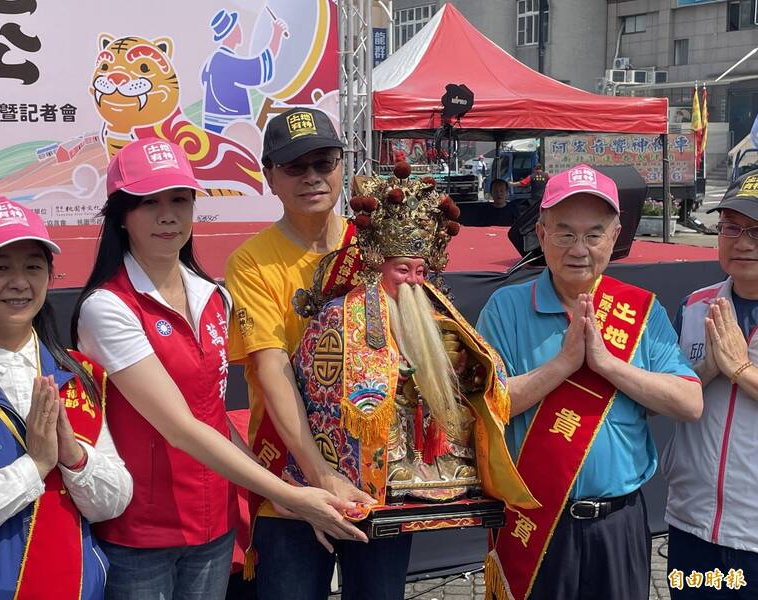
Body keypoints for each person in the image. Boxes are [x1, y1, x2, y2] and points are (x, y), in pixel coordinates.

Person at [72, 137, 366, 599]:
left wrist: (277, 491)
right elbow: (180, 428)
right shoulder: (107, 307)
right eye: (149, 203)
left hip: (213, 526)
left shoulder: (214, 297)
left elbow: (213, 417)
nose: (168, 216)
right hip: (142, 534)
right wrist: (292, 496)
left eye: (179, 201)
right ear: (122, 216)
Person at [282, 165, 536, 600]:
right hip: (350, 472)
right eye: (403, 271)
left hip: (427, 458)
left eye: (421, 272)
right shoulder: (339, 318)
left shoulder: (435, 315)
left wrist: (462, 371)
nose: (415, 282)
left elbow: (479, 375)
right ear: (378, 266)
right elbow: (327, 393)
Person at [476, 164, 703, 600]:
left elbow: (689, 402)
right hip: (535, 525)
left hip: (618, 525)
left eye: (594, 234)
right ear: (541, 235)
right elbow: (482, 406)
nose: (579, 249)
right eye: (564, 233)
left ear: (614, 237)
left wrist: (607, 365)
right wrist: (562, 365)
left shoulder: (639, 311)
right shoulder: (504, 308)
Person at [224, 107, 375, 594]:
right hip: (289, 476)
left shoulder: (371, 248)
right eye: (295, 166)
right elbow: (273, 371)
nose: (312, 177)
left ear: (341, 167)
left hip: (375, 473)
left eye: (324, 162)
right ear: (270, 176)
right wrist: (320, 479)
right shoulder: (251, 263)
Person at [0, 197, 133, 599]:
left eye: (33, 267)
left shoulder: (80, 373)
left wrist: (74, 457)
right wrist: (34, 466)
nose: (20, 282)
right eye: (0, 267)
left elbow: (115, 501)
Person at [664, 171, 758, 599]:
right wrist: (710, 370)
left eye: (757, 230)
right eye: (731, 227)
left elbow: (736, 367)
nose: (743, 242)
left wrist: (740, 369)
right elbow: (671, 392)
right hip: (692, 526)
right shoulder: (695, 306)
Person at [200, 9, 288, 134]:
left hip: (213, 126)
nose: (240, 30)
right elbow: (258, 67)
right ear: (232, 32)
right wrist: (277, 34)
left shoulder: (214, 59)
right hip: (230, 128)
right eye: (237, 27)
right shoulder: (225, 61)